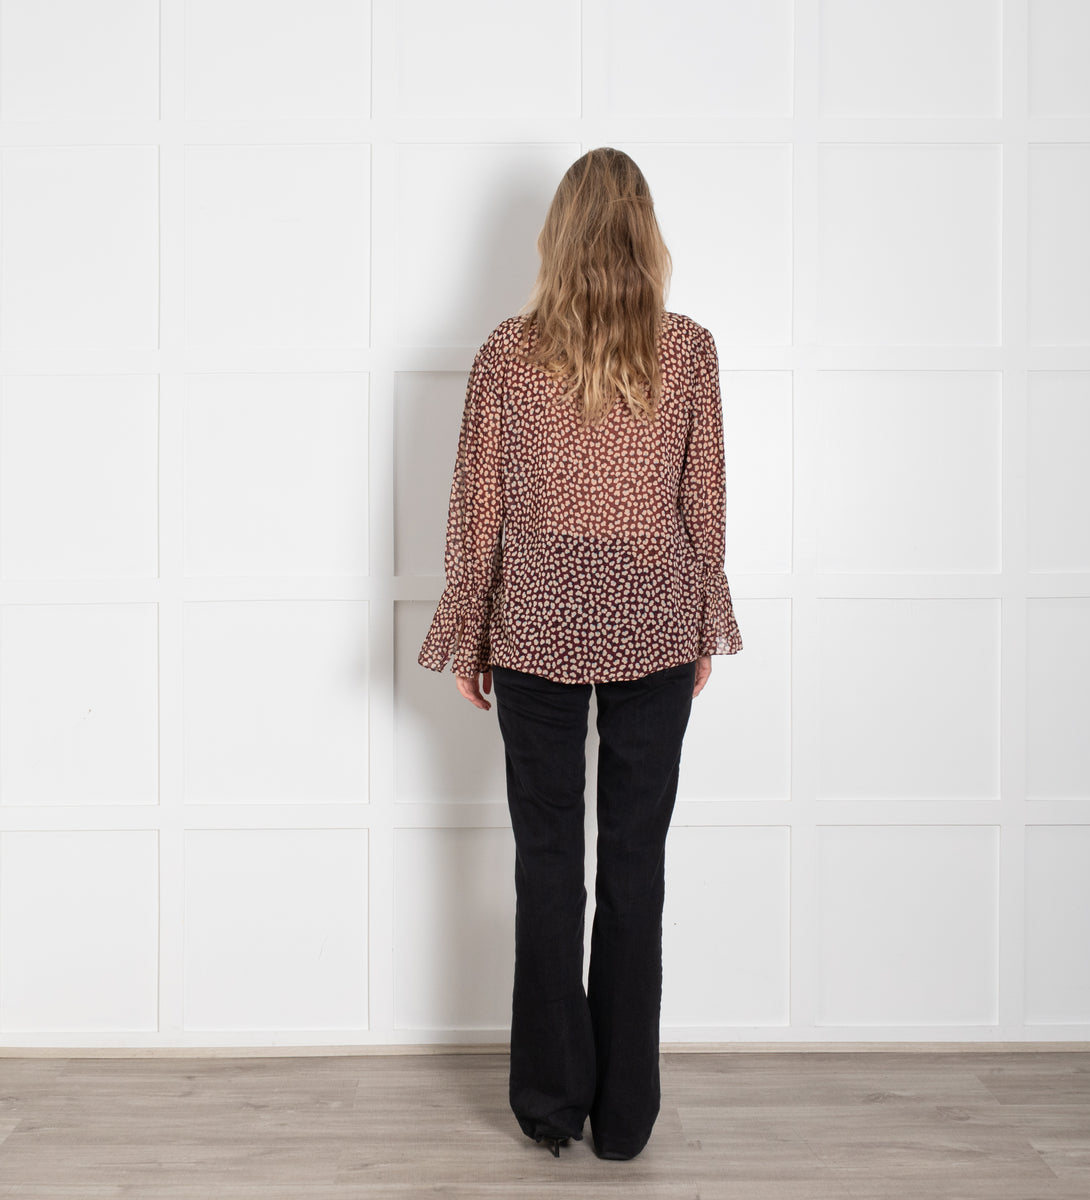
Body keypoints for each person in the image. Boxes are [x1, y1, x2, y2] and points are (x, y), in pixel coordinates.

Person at [417, 147, 743, 1161]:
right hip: (654, 620)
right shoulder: (686, 350)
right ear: (646, 234)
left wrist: (468, 627)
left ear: (556, 233)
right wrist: (702, 623)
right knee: (634, 867)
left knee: (550, 865)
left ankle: (551, 1105)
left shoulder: (506, 352)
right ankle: (627, 1120)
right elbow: (704, 507)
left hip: (533, 626)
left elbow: (478, 507)